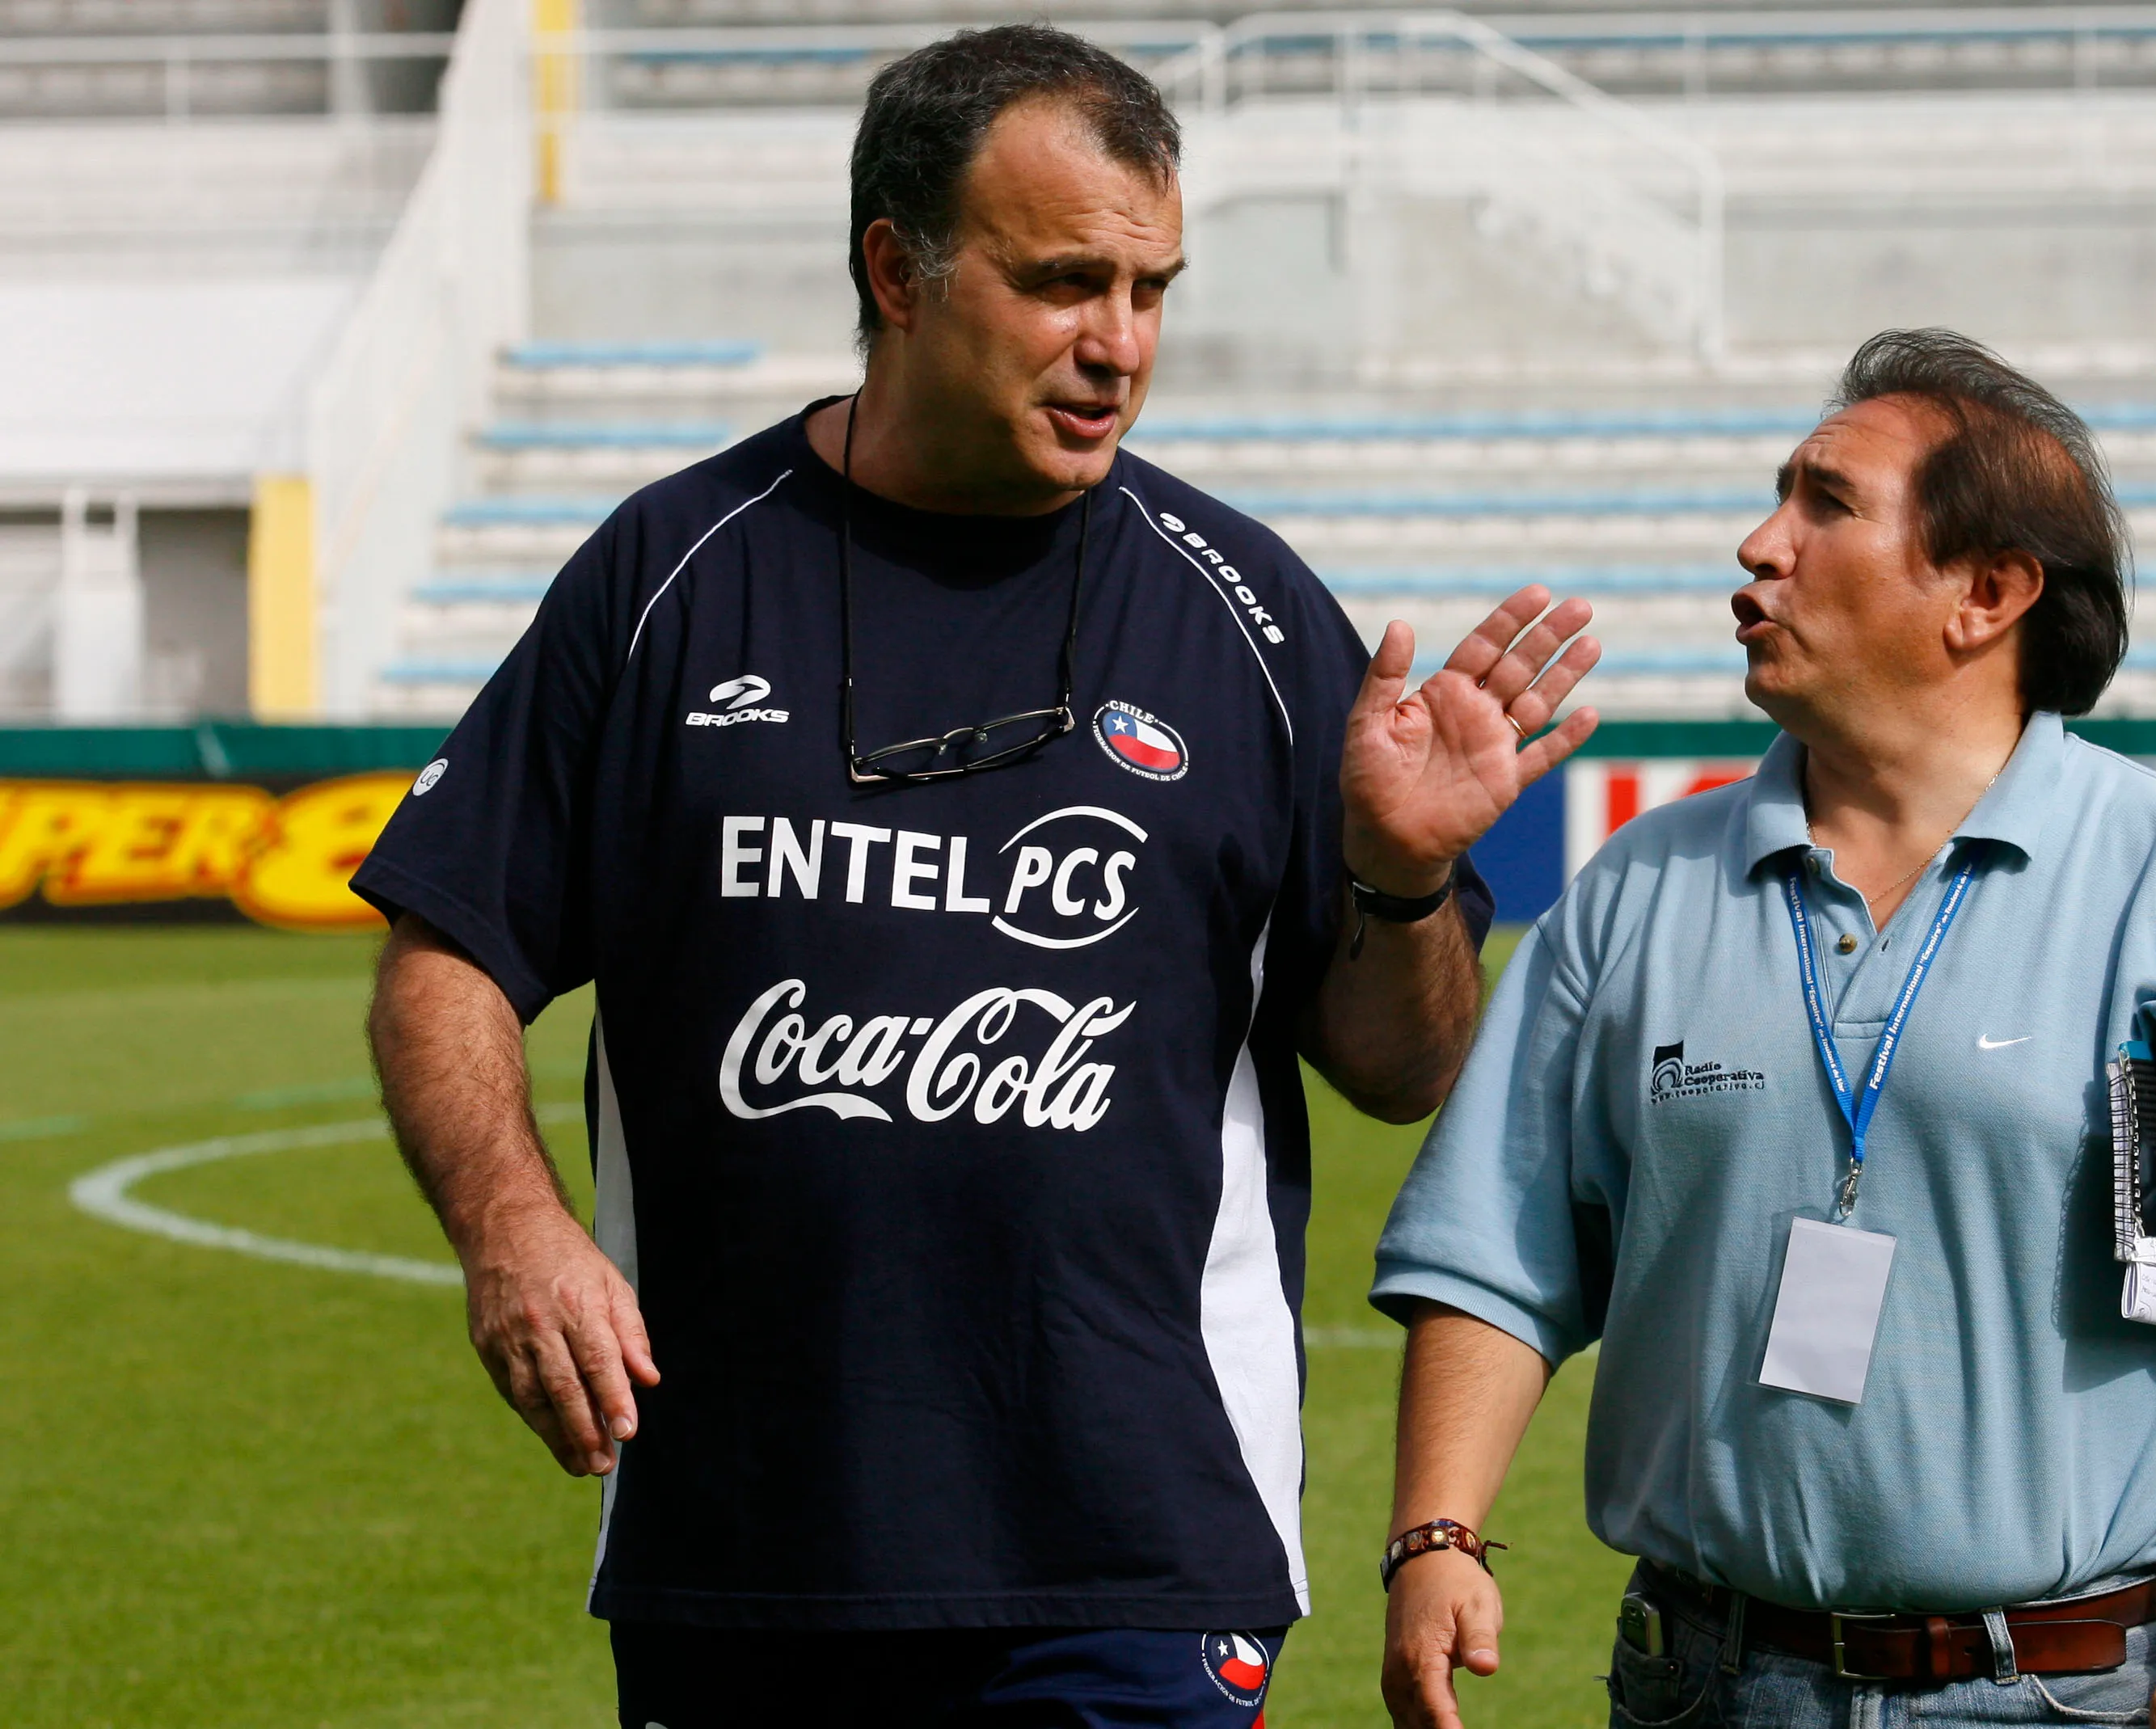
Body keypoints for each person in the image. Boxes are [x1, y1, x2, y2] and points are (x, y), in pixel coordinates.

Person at [358, 25, 1600, 1727]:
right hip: (747, 1538)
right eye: (1064, 282)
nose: (1121, 345)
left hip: (1137, 1550)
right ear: (896, 268)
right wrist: (512, 1230)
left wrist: (1394, 878)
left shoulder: (1242, 613)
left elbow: (1403, 1069)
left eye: (1150, 288)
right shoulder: (667, 577)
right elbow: (451, 943)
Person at [1369, 330, 2156, 1729]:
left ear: (1987, 591)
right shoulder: (1640, 888)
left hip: (2072, 1689)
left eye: (1824, 504)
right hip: (1703, 1683)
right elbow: (1495, 1247)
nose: (1756, 544)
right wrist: (1437, 1530)